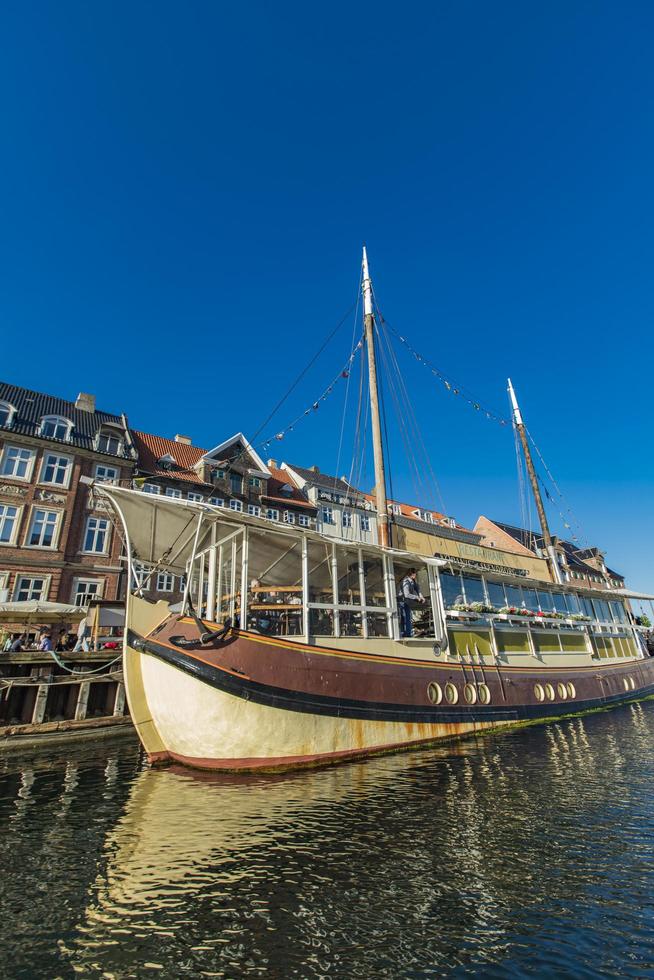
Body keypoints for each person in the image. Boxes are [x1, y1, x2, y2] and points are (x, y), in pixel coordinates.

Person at [397, 568, 425, 638]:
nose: (416, 575)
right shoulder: (405, 581)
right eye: (415, 574)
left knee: (408, 618)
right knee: (405, 618)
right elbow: (407, 594)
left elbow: (417, 589)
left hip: (407, 601)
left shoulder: (413, 581)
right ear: (412, 574)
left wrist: (421, 596)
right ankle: (405, 634)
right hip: (402, 601)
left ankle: (409, 633)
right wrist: (416, 597)